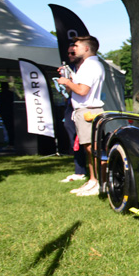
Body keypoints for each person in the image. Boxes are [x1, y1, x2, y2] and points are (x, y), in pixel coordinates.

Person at [56, 35, 105, 197]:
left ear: (86, 48)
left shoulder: (90, 67)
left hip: (88, 112)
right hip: (86, 111)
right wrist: (70, 79)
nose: (73, 49)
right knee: (89, 148)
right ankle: (93, 180)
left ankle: (100, 182)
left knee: (93, 149)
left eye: (76, 46)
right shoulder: (89, 66)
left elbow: (83, 91)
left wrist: (67, 83)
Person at [59, 42, 87, 183]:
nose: (70, 56)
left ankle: (85, 172)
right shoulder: (71, 69)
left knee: (85, 141)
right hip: (72, 107)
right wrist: (66, 83)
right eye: (69, 53)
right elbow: (71, 92)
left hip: (85, 108)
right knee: (74, 137)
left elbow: (82, 90)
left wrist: (69, 82)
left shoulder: (87, 68)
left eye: (73, 53)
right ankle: (80, 170)